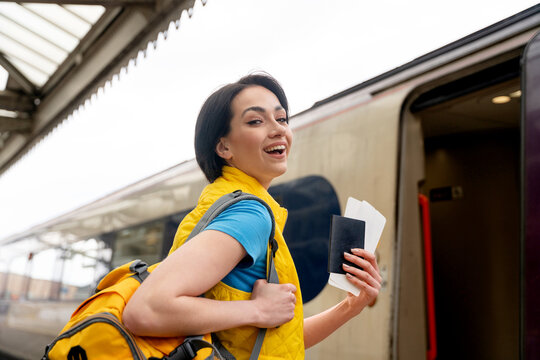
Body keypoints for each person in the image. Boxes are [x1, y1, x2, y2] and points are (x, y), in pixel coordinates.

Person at [123, 73, 382, 359]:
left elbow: (277, 341)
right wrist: (258, 309)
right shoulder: (250, 214)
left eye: (281, 119)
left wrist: (351, 306)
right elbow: (145, 309)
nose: (278, 130)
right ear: (224, 147)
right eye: (256, 121)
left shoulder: (223, 205)